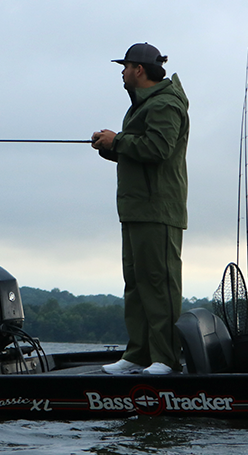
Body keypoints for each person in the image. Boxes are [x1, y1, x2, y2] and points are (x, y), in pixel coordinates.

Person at [91, 42, 189, 375]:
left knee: (158, 284)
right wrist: (109, 146)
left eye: (126, 66)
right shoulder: (141, 106)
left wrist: (117, 141)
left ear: (140, 70)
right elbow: (139, 150)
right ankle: (138, 355)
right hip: (135, 209)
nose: (122, 72)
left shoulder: (164, 104)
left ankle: (165, 358)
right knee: (135, 284)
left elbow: (159, 148)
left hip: (157, 210)